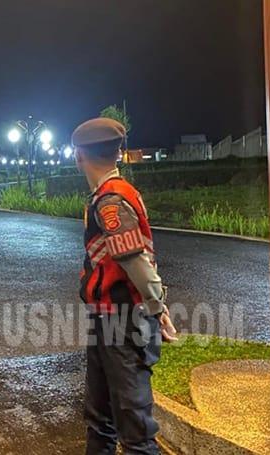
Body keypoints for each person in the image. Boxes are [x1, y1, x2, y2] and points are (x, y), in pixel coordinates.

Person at [73, 118, 178, 455]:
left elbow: (135, 262)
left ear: (78, 156)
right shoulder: (112, 194)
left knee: (135, 432)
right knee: (99, 419)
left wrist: (157, 308)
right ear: (118, 153)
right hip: (108, 318)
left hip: (124, 320)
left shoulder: (111, 201)